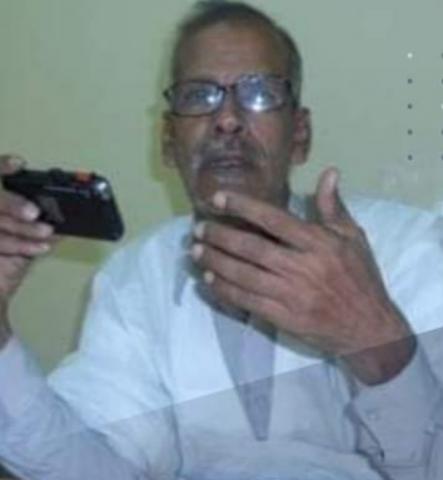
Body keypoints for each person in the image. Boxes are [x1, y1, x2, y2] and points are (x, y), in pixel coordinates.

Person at [0, 1, 442, 479]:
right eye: (198, 96)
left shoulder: (411, 248)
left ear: (300, 134)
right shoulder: (135, 280)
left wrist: (376, 340)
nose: (227, 119)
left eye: (260, 93)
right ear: (168, 142)